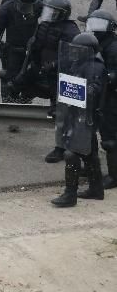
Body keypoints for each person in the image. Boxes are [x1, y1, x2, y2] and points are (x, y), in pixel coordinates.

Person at [10, 0, 80, 162]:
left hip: (61, 78)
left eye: (52, 11)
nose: (48, 13)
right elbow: (35, 52)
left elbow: (75, 56)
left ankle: (61, 148)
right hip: (41, 73)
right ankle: (14, 115)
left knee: (60, 115)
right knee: (18, 87)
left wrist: (56, 64)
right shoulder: (43, 26)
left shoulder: (71, 31)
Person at [50, 32, 106, 207]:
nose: (74, 52)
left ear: (87, 51)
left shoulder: (94, 67)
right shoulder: (81, 63)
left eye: (78, 49)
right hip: (79, 114)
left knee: (71, 153)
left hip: (86, 116)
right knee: (89, 154)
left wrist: (79, 91)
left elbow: (94, 90)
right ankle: (96, 189)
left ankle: (70, 195)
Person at [0, 0, 40, 102]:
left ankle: (26, 99)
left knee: (30, 77)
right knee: (10, 77)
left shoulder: (38, 5)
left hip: (31, 48)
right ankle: (8, 99)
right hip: (13, 48)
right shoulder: (6, 9)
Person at [85, 9, 117, 190]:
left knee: (110, 138)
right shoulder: (95, 44)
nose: (95, 29)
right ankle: (91, 166)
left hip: (111, 98)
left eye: (99, 25)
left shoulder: (113, 48)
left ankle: (114, 176)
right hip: (98, 94)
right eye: (92, 24)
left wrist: (106, 77)